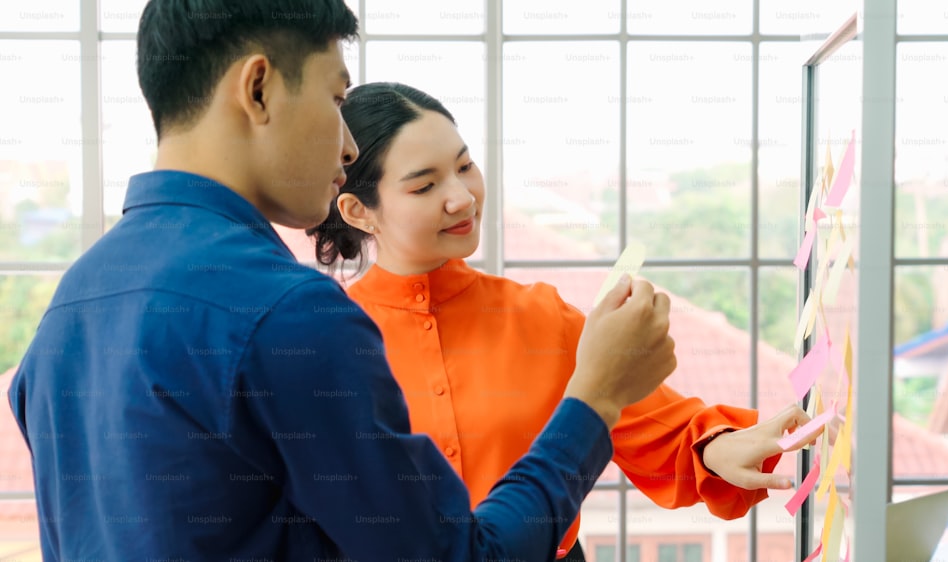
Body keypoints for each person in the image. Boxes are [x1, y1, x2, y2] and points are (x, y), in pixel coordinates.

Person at [5, 2, 684, 561]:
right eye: (336, 99)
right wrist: (594, 399)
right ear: (259, 87)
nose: (349, 145)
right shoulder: (288, 312)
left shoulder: (69, 307)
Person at [310, 82, 818, 561]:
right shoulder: (325, 341)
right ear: (358, 210)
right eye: (424, 186)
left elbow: (660, 428)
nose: (462, 197)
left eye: (465, 167)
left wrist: (719, 447)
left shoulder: (541, 316)